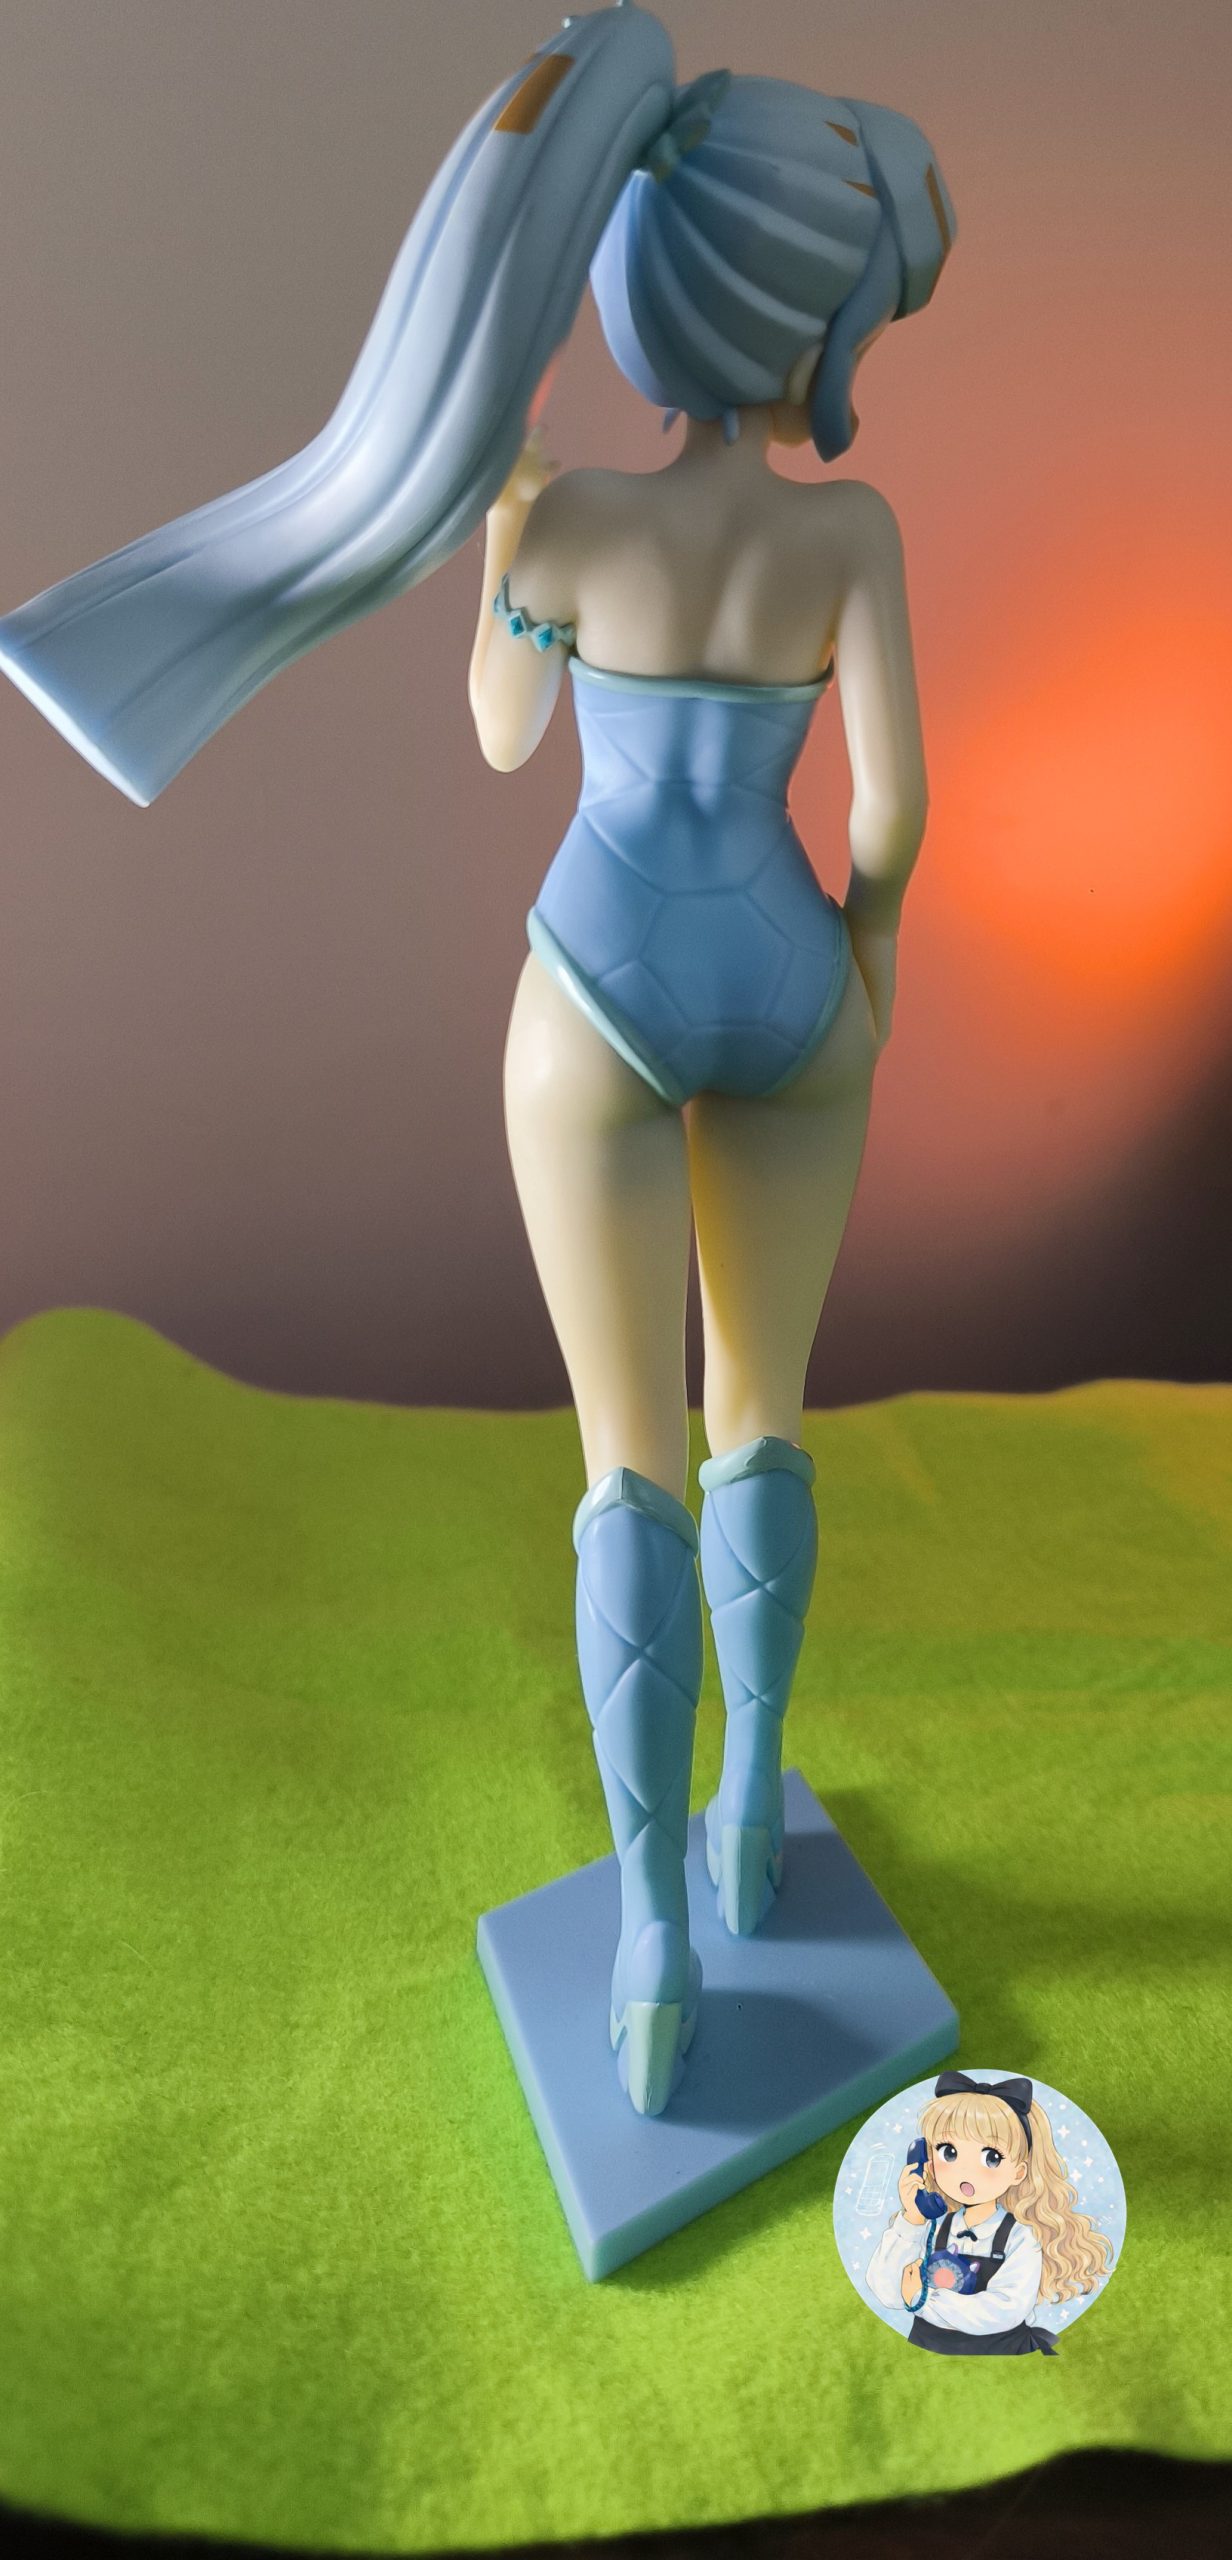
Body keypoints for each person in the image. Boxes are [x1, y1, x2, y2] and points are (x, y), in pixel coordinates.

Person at [0, 6, 955, 2118]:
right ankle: (750, 1804)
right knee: (761, 1419)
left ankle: (655, 1934)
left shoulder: (571, 524)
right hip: (789, 976)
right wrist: (868, 963)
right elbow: (889, 813)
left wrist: (511, 528)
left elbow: (508, 742)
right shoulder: (852, 538)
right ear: (809, 320)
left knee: (626, 1456)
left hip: (596, 984)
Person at [866, 2073, 1115, 2354]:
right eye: (949, 2152)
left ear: (1019, 2172)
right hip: (927, 2345)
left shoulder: (1020, 2237)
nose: (966, 2171)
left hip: (999, 2348)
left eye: (991, 2157)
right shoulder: (931, 2226)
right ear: (929, 2160)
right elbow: (888, 2292)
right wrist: (912, 2218)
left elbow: (1004, 2309)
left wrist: (924, 2300)